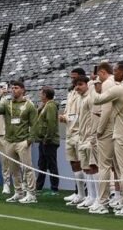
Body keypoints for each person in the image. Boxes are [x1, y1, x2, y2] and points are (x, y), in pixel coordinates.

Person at [92, 61, 123, 216]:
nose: (114, 73)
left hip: (122, 134)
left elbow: (97, 100)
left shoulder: (118, 89)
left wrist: (94, 84)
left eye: (116, 70)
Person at [0, 80, 38, 204]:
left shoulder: (29, 105)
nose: (14, 90)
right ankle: (18, 192)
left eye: (16, 88)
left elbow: (34, 124)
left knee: (28, 168)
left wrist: (29, 140)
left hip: (22, 141)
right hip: (9, 140)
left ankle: (31, 194)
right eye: (12, 88)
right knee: (14, 169)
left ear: (23, 90)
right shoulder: (8, 104)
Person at [90, 61, 120, 215]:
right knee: (118, 165)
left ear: (102, 72)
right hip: (116, 127)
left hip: (108, 128)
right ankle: (119, 198)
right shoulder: (115, 82)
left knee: (104, 165)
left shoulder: (108, 83)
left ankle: (103, 201)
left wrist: (100, 130)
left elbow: (106, 109)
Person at [73, 75, 100, 211]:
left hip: (90, 138)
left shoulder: (90, 98)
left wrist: (92, 136)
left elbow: (95, 117)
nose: (77, 87)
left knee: (94, 167)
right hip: (81, 138)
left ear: (87, 84)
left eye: (80, 84)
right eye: (76, 85)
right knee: (86, 168)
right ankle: (91, 196)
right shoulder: (80, 98)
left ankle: (98, 198)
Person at [62, 70, 87, 206]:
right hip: (69, 132)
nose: (73, 80)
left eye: (75, 77)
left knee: (84, 164)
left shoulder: (85, 94)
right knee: (74, 163)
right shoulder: (70, 93)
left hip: (80, 132)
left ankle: (86, 194)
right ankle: (79, 193)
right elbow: (68, 113)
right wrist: (63, 117)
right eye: (71, 78)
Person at [33, 87, 61, 196]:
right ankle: (39, 187)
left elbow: (51, 123)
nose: (40, 96)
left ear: (45, 95)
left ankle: (54, 188)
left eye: (41, 94)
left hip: (49, 141)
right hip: (43, 140)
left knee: (52, 165)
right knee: (42, 164)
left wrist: (48, 138)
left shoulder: (51, 106)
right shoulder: (45, 106)